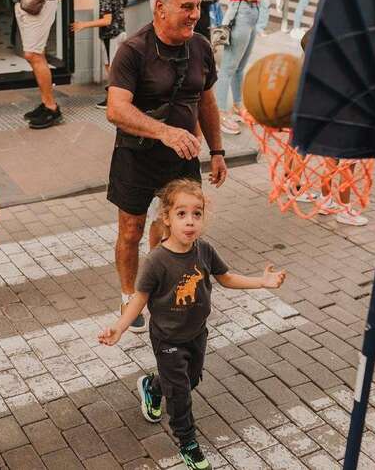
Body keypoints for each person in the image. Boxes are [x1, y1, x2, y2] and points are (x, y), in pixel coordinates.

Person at [98, 179, 286, 470]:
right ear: (167, 218)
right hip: (167, 339)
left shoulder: (204, 250)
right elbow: (140, 298)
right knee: (180, 394)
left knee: (191, 379)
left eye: (196, 213)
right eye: (181, 213)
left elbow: (226, 278)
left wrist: (262, 282)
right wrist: (119, 327)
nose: (190, 221)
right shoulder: (157, 260)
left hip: (197, 334)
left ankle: (153, 387)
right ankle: (188, 443)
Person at [106, 0, 228, 334]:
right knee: (131, 230)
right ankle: (129, 295)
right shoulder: (133, 50)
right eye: (187, 7)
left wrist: (217, 150)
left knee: (173, 228)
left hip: (182, 158)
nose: (195, 14)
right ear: (160, 8)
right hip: (136, 157)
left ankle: (161, 284)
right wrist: (164, 132)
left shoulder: (200, 46)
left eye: (198, 6)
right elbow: (116, 109)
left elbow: (207, 101)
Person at [10, 0, 72, 130]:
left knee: (33, 54)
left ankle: (52, 108)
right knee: (37, 53)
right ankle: (46, 103)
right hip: (24, 0)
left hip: (39, 0)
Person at [215, 0, 269, 135]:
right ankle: (220, 113)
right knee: (228, 67)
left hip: (251, 14)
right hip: (240, 14)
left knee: (239, 67)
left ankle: (238, 105)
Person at [69, 0, 125, 109]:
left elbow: (107, 20)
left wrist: (83, 24)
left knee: (112, 69)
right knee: (114, 67)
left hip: (110, 37)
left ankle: (113, 100)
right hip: (120, 33)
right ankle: (115, 98)